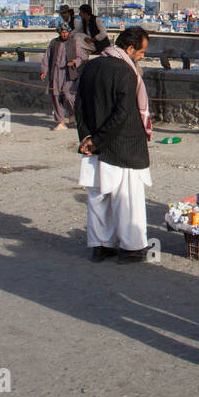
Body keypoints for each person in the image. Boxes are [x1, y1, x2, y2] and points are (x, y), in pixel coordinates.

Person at [75, 26, 153, 263]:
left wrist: (87, 138)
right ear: (129, 48)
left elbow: (79, 106)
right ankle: (132, 248)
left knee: (98, 198)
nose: (142, 56)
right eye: (141, 52)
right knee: (128, 198)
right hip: (124, 146)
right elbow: (122, 114)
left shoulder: (91, 66)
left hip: (95, 145)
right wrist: (97, 140)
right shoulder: (126, 72)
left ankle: (102, 245)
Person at [40, 22, 78, 130]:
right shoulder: (54, 43)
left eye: (66, 32)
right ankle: (61, 121)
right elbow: (47, 57)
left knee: (68, 95)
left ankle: (72, 114)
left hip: (68, 73)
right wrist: (44, 70)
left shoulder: (74, 42)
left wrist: (74, 62)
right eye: (62, 33)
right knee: (55, 96)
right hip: (55, 72)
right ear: (59, 33)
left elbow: (81, 56)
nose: (65, 34)